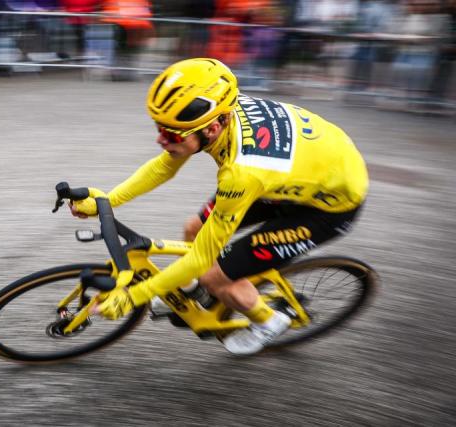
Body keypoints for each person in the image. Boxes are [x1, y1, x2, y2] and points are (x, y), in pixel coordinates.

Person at [70, 58, 369, 355]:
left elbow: (201, 259)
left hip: (326, 209)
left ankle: (268, 321)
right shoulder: (221, 109)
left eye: (171, 134)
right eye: (159, 128)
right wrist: (106, 201)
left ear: (212, 129)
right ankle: (188, 290)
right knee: (194, 228)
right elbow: (164, 167)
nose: (161, 140)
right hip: (291, 180)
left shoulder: (241, 172)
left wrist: (134, 296)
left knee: (214, 276)